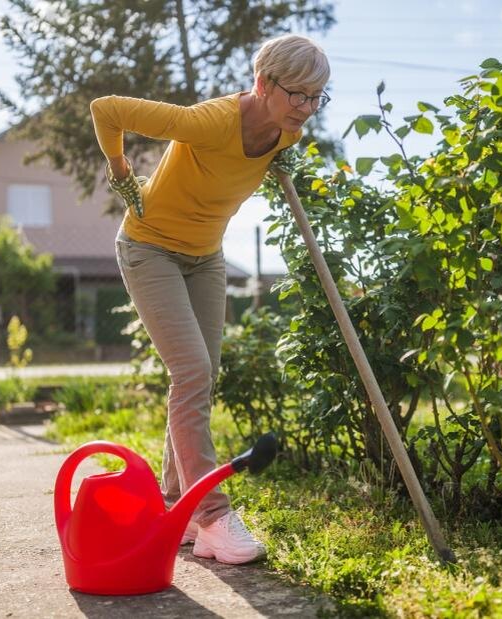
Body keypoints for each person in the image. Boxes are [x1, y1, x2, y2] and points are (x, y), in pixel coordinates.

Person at [89, 34, 330, 565]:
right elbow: (106, 109)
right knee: (193, 371)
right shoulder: (210, 121)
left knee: (202, 375)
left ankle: (177, 510)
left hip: (206, 257)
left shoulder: (284, 135)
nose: (308, 109)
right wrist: (121, 171)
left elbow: (246, 166)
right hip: (150, 250)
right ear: (263, 83)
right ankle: (215, 516)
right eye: (299, 96)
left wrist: (280, 161)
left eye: (318, 97)